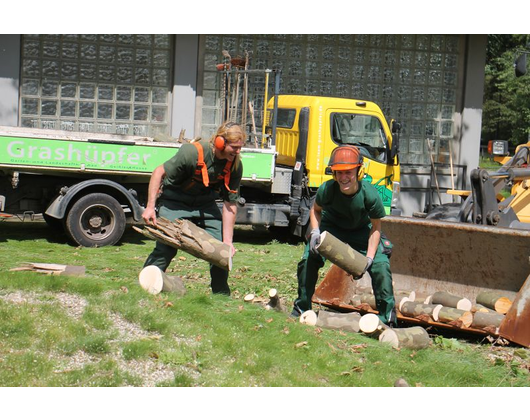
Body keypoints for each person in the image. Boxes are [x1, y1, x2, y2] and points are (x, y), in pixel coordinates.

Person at [292, 144, 396, 325]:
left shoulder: (369, 194)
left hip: (362, 232)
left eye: (348, 172)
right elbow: (315, 210)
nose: (343, 177)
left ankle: (386, 316)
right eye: (339, 173)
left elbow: (376, 227)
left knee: (381, 266)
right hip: (332, 229)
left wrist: (370, 258)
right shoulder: (327, 189)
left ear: (359, 172)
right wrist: (316, 232)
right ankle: (302, 306)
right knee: (308, 258)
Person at [142, 121, 245, 295]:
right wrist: (150, 207)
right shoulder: (191, 153)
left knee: (221, 251)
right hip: (174, 202)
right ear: (221, 142)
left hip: (205, 205)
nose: (238, 152)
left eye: (240, 147)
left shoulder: (234, 165)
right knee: (166, 247)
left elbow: (230, 204)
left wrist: (227, 241)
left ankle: (221, 295)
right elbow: (158, 172)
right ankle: (146, 285)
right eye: (234, 147)